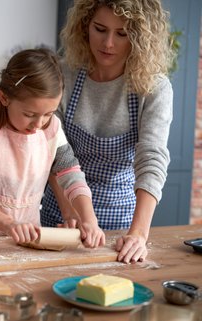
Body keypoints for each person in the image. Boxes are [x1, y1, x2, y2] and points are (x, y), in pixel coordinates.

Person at [41, 0, 175, 264]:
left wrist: (138, 234)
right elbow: (52, 150)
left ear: (139, 37)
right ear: (84, 25)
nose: (108, 43)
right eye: (100, 29)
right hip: (62, 214)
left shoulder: (153, 88)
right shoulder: (64, 74)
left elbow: (152, 159)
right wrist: (72, 215)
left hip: (120, 222)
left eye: (122, 34)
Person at [0, 48, 105, 248]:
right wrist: (9, 224)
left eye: (48, 114)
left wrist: (88, 219)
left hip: (28, 244)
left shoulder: (52, 129)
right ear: (4, 98)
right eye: (30, 114)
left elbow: (71, 175)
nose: (38, 124)